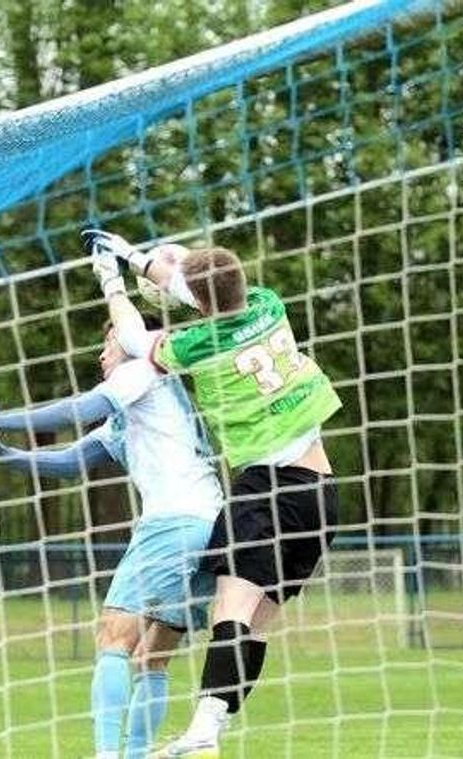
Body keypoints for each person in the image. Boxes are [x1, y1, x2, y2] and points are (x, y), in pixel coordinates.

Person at [83, 230, 342, 758]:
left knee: (232, 609)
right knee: (258, 626)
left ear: (197, 301)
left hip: (267, 489)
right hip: (322, 493)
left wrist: (112, 278)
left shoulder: (197, 344)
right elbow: (201, 289)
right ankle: (208, 728)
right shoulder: (268, 304)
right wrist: (136, 255)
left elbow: (133, 335)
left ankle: (203, 733)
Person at [0, 319, 224, 759]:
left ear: (134, 342)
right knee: (152, 657)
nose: (102, 352)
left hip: (172, 521)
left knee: (114, 638)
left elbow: (77, 410)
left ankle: (106, 754)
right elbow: (70, 461)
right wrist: (2, 452)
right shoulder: (138, 406)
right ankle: (135, 755)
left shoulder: (144, 370)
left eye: (109, 341)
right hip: (209, 525)